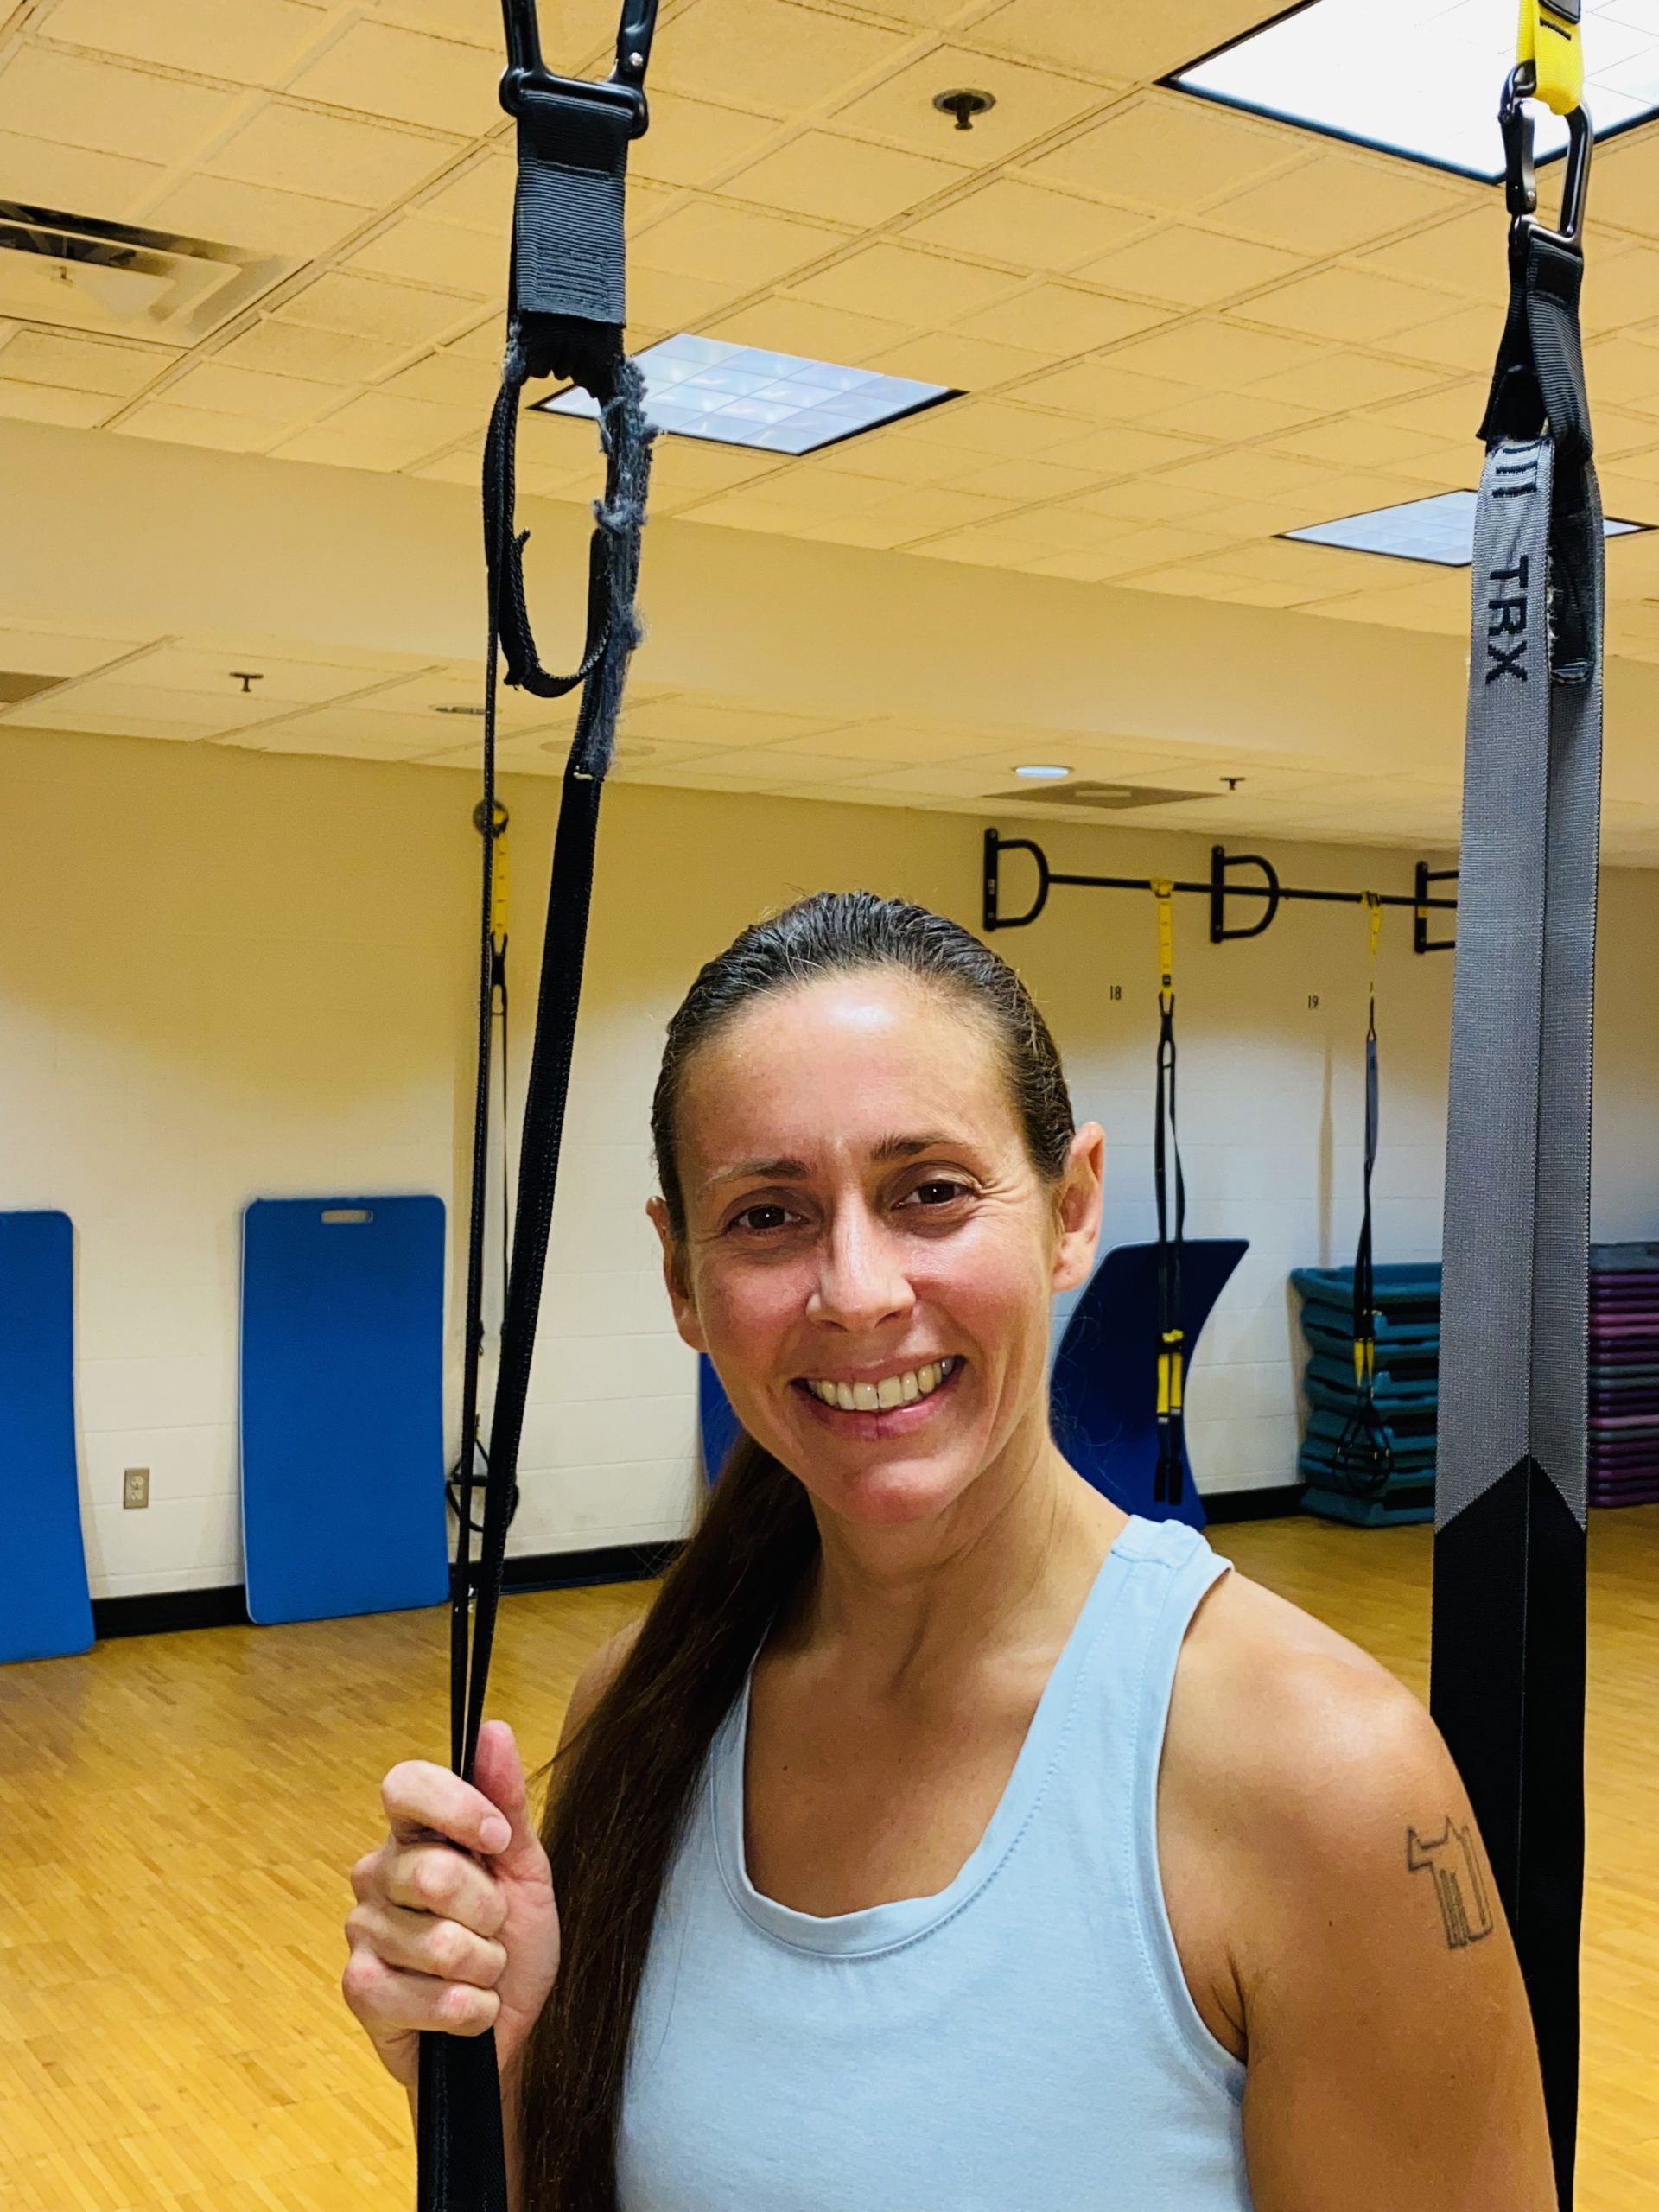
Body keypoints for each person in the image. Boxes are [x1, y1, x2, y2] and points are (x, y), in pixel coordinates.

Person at [343, 891, 1554, 2211]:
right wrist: (494, 2071)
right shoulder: (643, 1713)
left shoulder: (1324, 1781)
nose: (856, 1290)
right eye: (767, 1216)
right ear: (682, 1278)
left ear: (1072, 1209)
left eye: (929, 1192)